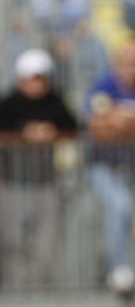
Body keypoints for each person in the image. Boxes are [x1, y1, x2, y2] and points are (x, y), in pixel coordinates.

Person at [85, 40, 135, 293]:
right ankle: (119, 267)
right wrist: (133, 121)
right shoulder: (102, 86)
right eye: (127, 60)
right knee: (121, 207)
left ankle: (120, 267)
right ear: (117, 62)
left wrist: (122, 120)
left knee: (126, 215)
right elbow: (96, 127)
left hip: (129, 163)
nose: (132, 66)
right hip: (101, 163)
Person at [0, 48, 77, 286]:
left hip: (46, 184)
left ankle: (40, 298)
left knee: (47, 246)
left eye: (41, 77)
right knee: (13, 244)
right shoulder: (8, 104)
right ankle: (15, 298)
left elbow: (73, 127)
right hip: (13, 185)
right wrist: (25, 132)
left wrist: (51, 132)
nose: (37, 83)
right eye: (32, 77)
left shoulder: (55, 103)